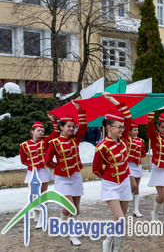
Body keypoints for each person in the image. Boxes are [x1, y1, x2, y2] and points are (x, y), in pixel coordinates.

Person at [93, 95, 132, 251]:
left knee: (122, 219)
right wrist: (110, 175)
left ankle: (116, 247)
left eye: (122, 127)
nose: (122, 129)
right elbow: (96, 169)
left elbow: (127, 115)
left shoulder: (124, 139)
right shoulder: (101, 147)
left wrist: (111, 99)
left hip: (125, 182)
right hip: (111, 184)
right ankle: (107, 241)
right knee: (120, 218)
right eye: (119, 127)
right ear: (109, 127)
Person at [45, 101, 87, 246]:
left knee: (76, 207)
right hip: (62, 179)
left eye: (73, 126)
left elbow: (83, 127)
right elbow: (47, 160)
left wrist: (79, 109)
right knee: (70, 207)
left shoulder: (76, 139)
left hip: (75, 176)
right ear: (61, 127)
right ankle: (72, 235)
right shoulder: (54, 143)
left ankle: (64, 223)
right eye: (68, 126)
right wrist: (58, 167)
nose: (72, 129)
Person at [20, 115, 59, 229]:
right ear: (32, 131)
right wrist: (32, 165)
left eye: (42, 130)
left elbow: (56, 132)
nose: (41, 132)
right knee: (33, 195)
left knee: (43, 194)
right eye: (38, 130)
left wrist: (53, 120)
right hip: (32, 172)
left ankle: (42, 217)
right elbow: (23, 160)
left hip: (43, 171)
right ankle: (37, 213)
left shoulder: (46, 141)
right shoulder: (24, 145)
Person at [127, 120, 146, 218]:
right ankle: (126, 201)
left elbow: (143, 152)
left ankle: (136, 209)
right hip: (129, 165)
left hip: (137, 165)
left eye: (137, 130)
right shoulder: (126, 139)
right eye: (134, 130)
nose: (136, 132)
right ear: (129, 131)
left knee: (136, 187)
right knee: (133, 185)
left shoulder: (140, 141)